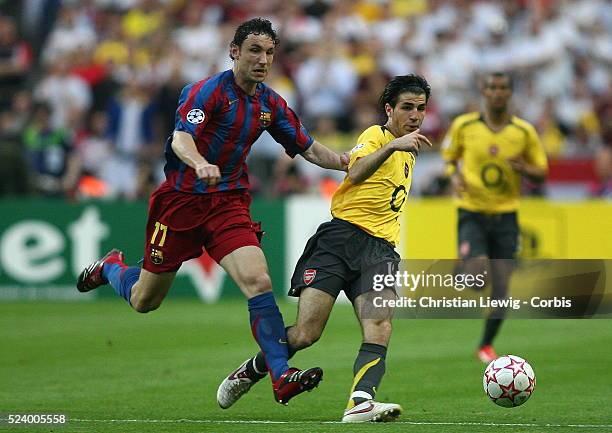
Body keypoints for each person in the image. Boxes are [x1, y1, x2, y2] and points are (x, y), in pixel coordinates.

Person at [76, 18, 348, 405]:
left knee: (258, 281)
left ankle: (281, 375)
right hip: (181, 204)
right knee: (144, 301)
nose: (263, 59)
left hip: (228, 203)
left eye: (270, 53)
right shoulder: (206, 92)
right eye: (255, 50)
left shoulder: (269, 103)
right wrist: (199, 162)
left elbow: (309, 147)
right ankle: (110, 268)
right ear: (234, 51)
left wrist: (346, 161)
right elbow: (182, 138)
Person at [217, 75, 433, 422]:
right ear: (389, 109)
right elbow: (356, 170)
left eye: (421, 108)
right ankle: (254, 368)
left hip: (380, 251)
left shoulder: (409, 149)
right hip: (340, 241)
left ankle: (360, 403)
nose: (415, 115)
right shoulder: (376, 137)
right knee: (306, 334)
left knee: (380, 324)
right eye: (407, 107)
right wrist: (392, 146)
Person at [441, 72, 548, 363]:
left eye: (503, 88)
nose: (497, 93)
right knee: (477, 278)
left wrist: (524, 168)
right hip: (472, 211)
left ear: (510, 92)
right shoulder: (465, 125)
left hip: (506, 215)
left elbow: (542, 171)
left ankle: (485, 344)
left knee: (501, 289)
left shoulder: (523, 132)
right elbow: (448, 156)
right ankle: (464, 268)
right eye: (492, 88)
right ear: (484, 92)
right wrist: (454, 176)